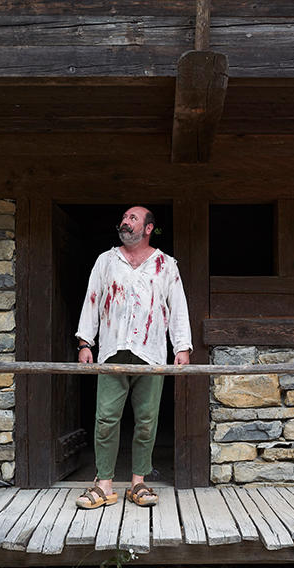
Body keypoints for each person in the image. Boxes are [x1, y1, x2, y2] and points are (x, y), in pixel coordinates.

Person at [74, 206, 193, 510]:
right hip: (112, 351)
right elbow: (93, 299)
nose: (125, 223)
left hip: (150, 353)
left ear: (148, 228)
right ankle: (104, 485)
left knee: (146, 421)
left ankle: (138, 483)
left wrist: (182, 347)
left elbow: (177, 307)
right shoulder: (106, 260)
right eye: (124, 218)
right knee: (105, 419)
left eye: (133, 219)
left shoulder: (165, 264)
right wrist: (85, 342)